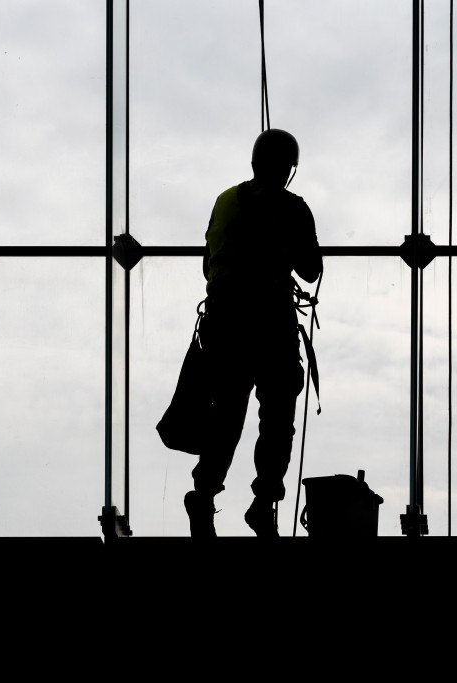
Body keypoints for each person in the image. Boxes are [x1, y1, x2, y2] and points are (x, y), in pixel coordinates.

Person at [184, 128, 322, 537]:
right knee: (277, 414)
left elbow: (209, 263)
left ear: (253, 162)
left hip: (223, 321)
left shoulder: (224, 201)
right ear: (288, 169)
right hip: (269, 322)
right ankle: (263, 504)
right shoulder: (292, 207)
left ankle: (204, 494)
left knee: (226, 413)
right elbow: (310, 269)